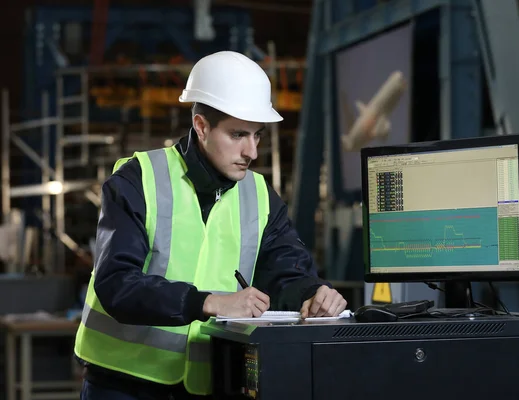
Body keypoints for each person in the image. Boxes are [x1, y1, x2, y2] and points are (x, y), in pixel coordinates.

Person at [74, 51, 348, 400]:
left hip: (208, 384)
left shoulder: (261, 195)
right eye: (238, 135)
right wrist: (209, 302)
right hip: (121, 383)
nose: (252, 151)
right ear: (201, 127)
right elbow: (117, 284)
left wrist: (314, 294)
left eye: (257, 135)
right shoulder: (138, 179)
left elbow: (286, 273)